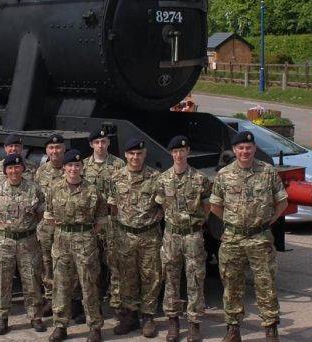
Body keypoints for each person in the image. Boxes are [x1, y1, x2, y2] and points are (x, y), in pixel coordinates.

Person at [210, 131, 288, 342]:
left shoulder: (268, 172)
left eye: (249, 148)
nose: (245, 151)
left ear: (254, 149)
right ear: (234, 150)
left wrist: (269, 221)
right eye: (241, 148)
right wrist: (232, 221)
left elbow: (282, 201)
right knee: (232, 285)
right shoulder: (224, 174)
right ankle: (233, 329)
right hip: (233, 239)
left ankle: (271, 330)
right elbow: (215, 205)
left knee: (266, 284)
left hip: (260, 238)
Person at [154, 135, 211, 342]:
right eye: (175, 151)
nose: (179, 155)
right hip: (171, 235)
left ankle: (194, 324)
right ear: (171, 153)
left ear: (188, 152)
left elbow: (207, 206)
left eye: (182, 151)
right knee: (170, 278)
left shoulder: (200, 178)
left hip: (193, 235)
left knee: (195, 278)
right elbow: (162, 205)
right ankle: (173, 323)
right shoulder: (162, 179)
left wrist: (196, 222)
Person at [45, 149, 105, 342]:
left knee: (89, 285)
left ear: (82, 167)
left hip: (85, 241)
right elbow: (50, 217)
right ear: (64, 167)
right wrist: (66, 231)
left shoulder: (92, 190)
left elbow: (101, 220)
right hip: (62, 242)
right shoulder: (54, 189)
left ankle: (94, 327)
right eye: (70, 165)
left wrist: (85, 233)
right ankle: (60, 325)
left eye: (77, 165)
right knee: (61, 286)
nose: (73, 169)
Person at [107, 138, 163, 338]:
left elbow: (163, 206)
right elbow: (112, 207)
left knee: (151, 276)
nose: (135, 157)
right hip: (125, 236)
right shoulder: (115, 178)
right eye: (131, 154)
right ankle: (130, 316)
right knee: (127, 277)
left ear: (144, 154)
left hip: (149, 235)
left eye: (139, 154)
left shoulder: (155, 178)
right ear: (126, 155)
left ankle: (147, 316)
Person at [0, 153, 46, 335]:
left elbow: (40, 213)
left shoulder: (34, 189)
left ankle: (35, 316)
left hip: (28, 241)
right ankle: (2, 318)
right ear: (5, 171)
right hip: (4, 241)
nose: (14, 171)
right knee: (2, 280)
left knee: (31, 280)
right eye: (10, 168)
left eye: (17, 167)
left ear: (23, 169)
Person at [82, 128, 125, 318]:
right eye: (97, 142)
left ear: (109, 143)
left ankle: (116, 304)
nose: (101, 145)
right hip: (91, 223)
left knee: (115, 263)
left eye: (104, 142)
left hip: (112, 221)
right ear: (91, 144)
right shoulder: (82, 166)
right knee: (92, 265)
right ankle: (95, 303)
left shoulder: (118, 165)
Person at [34, 133, 66, 318]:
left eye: (58, 147)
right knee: (47, 263)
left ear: (64, 149)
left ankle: (70, 300)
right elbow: (38, 198)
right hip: (46, 227)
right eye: (51, 148)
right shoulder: (41, 171)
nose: (55, 151)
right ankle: (50, 299)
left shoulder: (72, 169)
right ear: (47, 150)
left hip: (66, 227)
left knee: (67, 263)